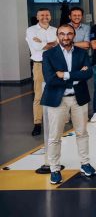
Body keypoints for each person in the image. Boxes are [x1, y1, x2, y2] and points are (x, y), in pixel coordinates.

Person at [41, 24, 95, 184]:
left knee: (82, 133)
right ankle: (54, 169)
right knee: (54, 136)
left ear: (74, 36)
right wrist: (76, 76)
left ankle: (85, 164)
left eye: (69, 34)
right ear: (57, 35)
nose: (66, 37)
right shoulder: (49, 54)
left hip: (78, 99)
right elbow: (50, 78)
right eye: (62, 34)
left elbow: (88, 73)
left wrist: (64, 75)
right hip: (57, 99)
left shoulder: (81, 52)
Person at [26, 8, 58, 136]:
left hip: (54, 66)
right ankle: (37, 123)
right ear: (37, 16)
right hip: (39, 65)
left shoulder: (55, 30)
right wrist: (51, 43)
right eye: (42, 15)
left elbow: (59, 45)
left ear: (50, 16)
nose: (45, 17)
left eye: (47, 14)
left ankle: (55, 121)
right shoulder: (31, 30)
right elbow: (36, 47)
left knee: (55, 92)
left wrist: (43, 43)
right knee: (39, 95)